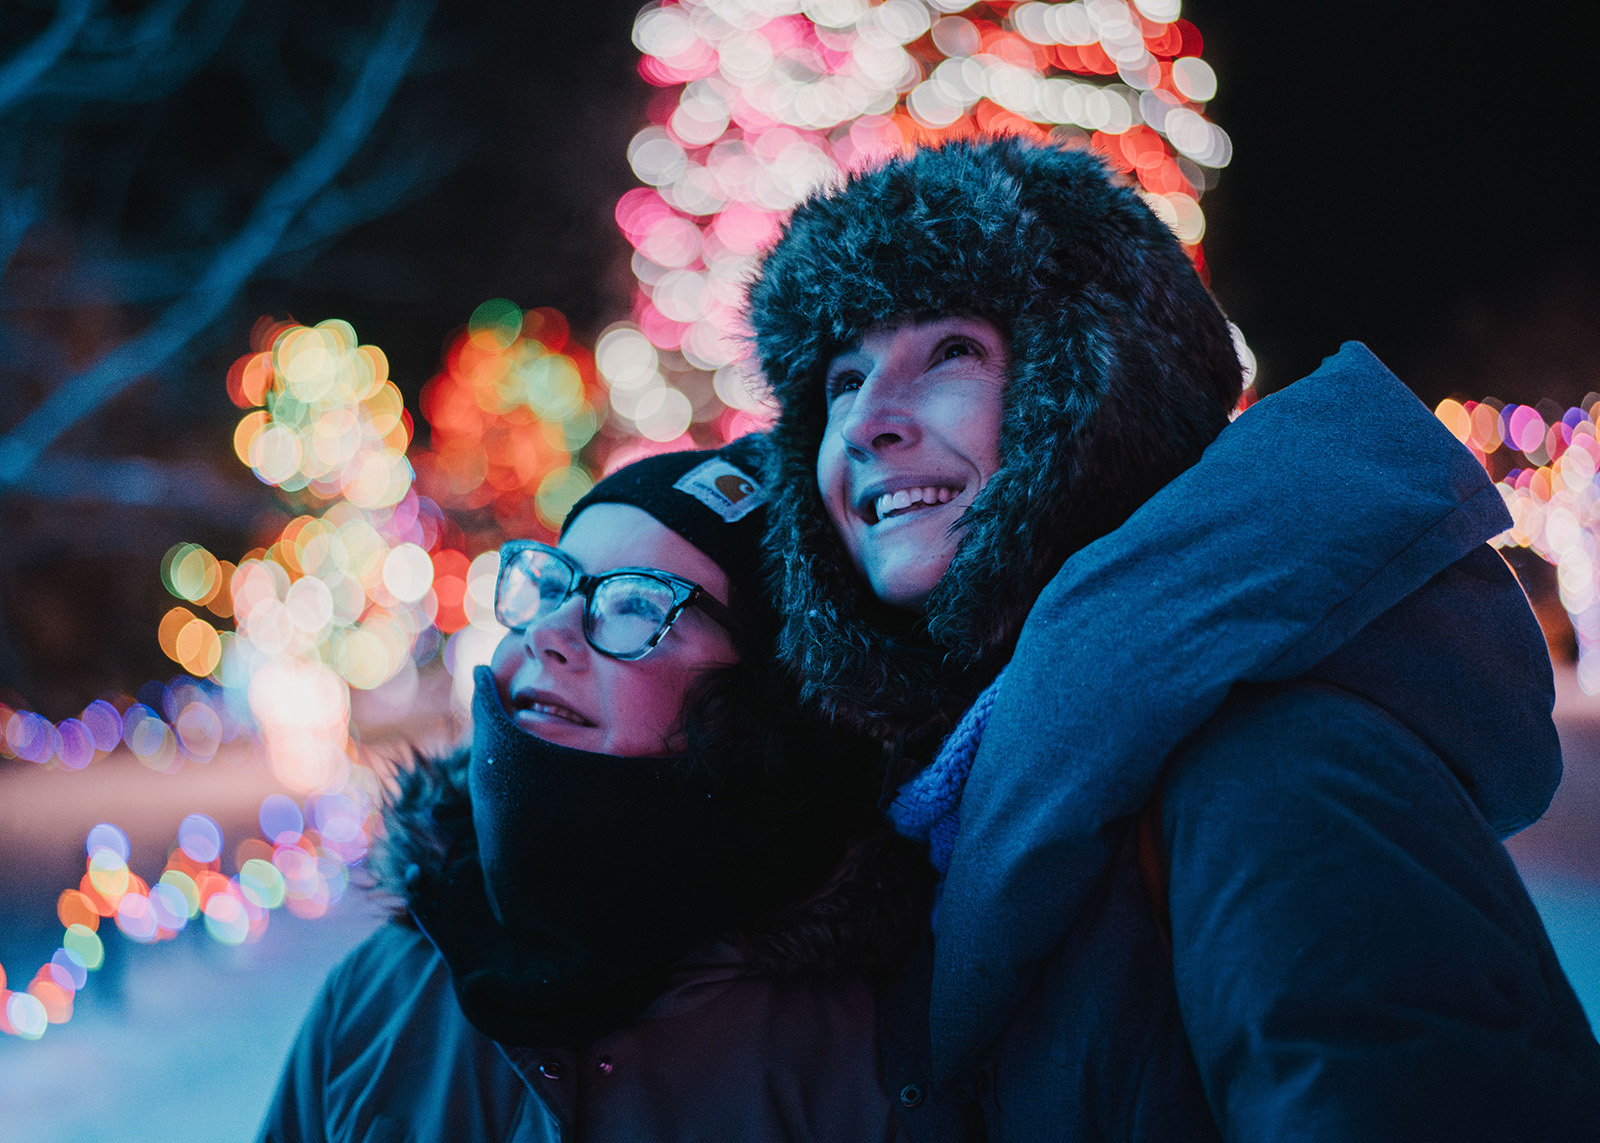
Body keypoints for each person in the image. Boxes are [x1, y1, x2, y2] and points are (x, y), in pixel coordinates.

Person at [746, 135, 1600, 1139]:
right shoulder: (950, 800)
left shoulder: (1267, 767)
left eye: (951, 352)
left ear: (1101, 400)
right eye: (841, 379)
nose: (864, 423)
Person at [257, 438, 927, 1142]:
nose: (551, 630)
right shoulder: (376, 998)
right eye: (551, 585)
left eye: (634, 605)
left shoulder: (874, 1050)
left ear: (763, 708)